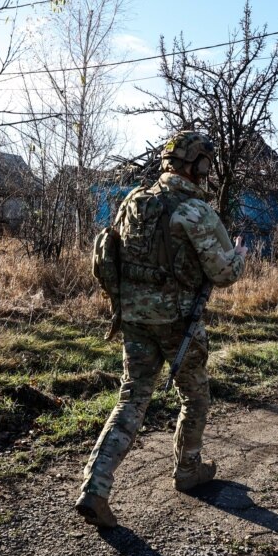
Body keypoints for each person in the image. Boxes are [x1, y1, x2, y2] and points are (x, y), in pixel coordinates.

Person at [75, 130, 248, 528]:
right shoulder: (195, 212)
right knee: (196, 396)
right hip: (177, 323)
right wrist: (239, 256)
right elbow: (222, 275)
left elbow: (111, 255)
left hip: (133, 318)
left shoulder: (134, 201)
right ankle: (188, 471)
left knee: (131, 399)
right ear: (200, 166)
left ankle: (94, 487)